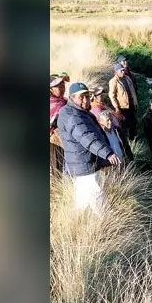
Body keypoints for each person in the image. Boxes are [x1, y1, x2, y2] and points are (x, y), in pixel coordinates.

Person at [56, 82, 120, 213]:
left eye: (87, 96)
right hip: (84, 163)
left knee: (83, 199)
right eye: (81, 97)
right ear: (72, 98)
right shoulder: (72, 116)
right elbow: (87, 138)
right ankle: (104, 222)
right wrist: (108, 154)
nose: (85, 100)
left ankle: (78, 223)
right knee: (96, 194)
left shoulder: (78, 111)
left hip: (84, 161)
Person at [90, 85, 132, 159]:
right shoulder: (96, 108)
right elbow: (104, 123)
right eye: (99, 95)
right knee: (118, 152)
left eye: (101, 94)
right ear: (94, 96)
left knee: (123, 150)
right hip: (110, 133)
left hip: (115, 131)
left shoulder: (102, 104)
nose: (101, 96)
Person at [108, 62, 138, 141]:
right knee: (125, 125)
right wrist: (116, 107)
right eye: (121, 71)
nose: (123, 72)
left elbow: (133, 91)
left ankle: (132, 139)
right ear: (116, 72)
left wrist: (135, 103)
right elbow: (112, 95)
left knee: (133, 123)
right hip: (123, 108)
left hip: (131, 106)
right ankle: (126, 141)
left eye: (123, 70)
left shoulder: (127, 78)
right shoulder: (113, 81)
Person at [49, 75, 68, 172]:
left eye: (63, 85)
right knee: (57, 168)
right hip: (54, 142)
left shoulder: (64, 101)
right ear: (50, 89)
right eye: (59, 86)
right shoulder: (52, 103)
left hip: (65, 140)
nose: (63, 88)